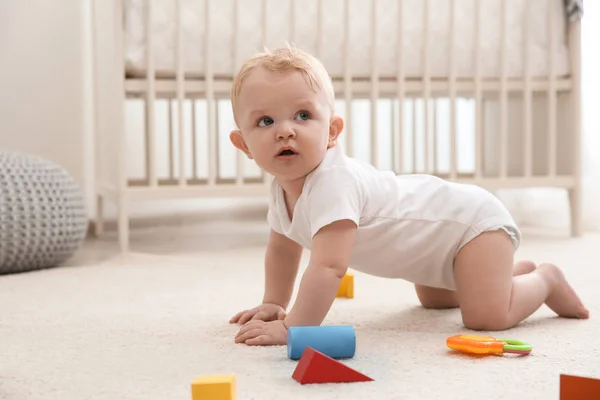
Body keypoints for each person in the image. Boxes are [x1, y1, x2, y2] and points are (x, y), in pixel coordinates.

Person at [227, 45, 589, 346]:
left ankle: (545, 279)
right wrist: (274, 302)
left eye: (303, 115)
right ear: (243, 144)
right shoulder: (281, 190)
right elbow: (282, 248)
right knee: (435, 300)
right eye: (265, 121)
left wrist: (294, 328)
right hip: (433, 249)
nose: (285, 131)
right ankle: (502, 275)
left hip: (471, 226)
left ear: (333, 131)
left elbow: (328, 266)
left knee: (486, 318)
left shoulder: (333, 183)